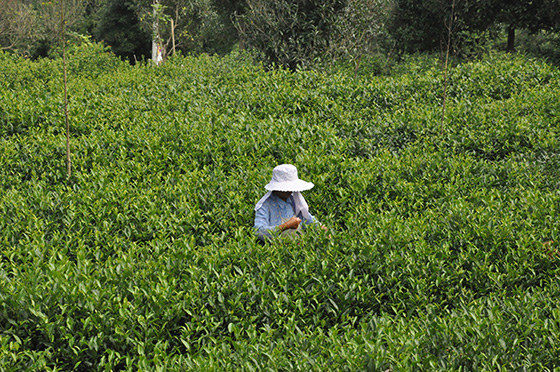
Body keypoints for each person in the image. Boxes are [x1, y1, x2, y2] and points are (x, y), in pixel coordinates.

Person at [254, 164, 325, 242]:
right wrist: (286, 226)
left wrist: (322, 230)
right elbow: (258, 232)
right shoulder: (265, 205)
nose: (288, 190)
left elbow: (308, 219)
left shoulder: (294, 200)